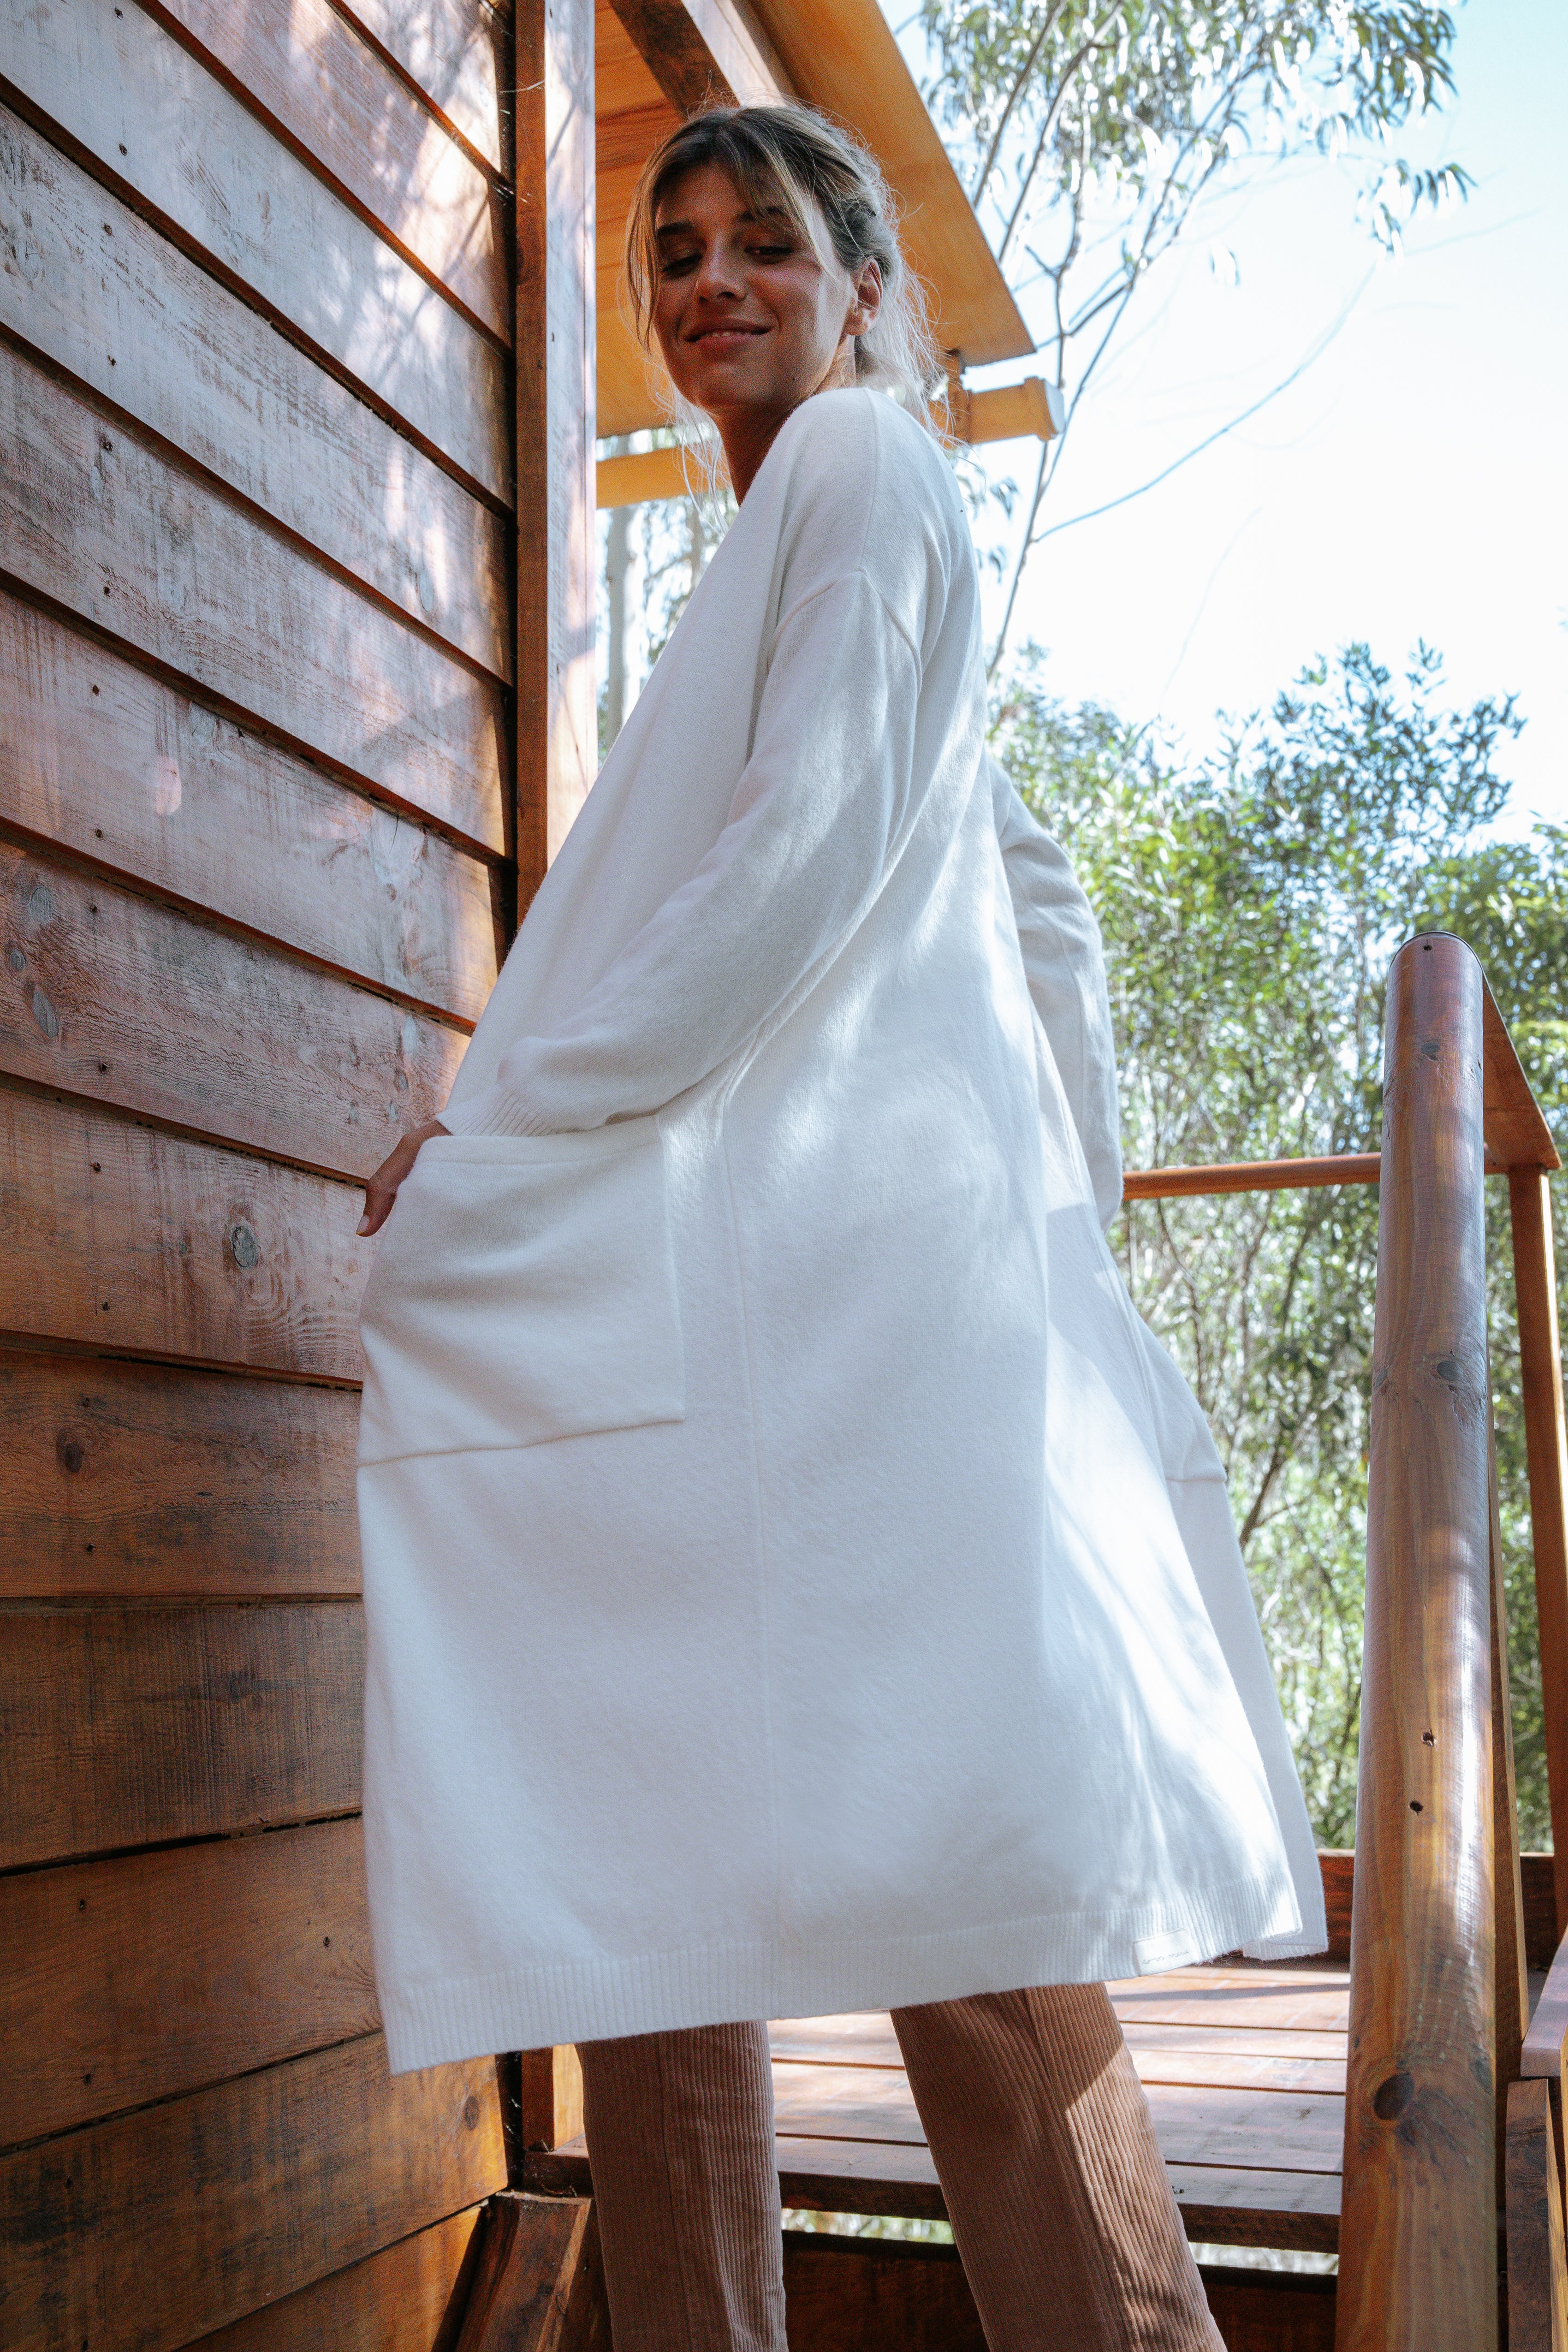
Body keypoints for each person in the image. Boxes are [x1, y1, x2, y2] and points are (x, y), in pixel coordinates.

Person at [355, 103, 1325, 2352]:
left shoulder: (870, 469)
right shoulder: (788, 538)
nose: (710, 279)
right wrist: (1056, 1199)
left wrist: (505, 1124)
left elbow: (802, 857)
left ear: (863, 284)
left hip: (841, 1317)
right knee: (648, 1885)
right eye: (672, 248)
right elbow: (1025, 888)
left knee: (956, 1884)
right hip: (772, 1294)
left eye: (763, 240)